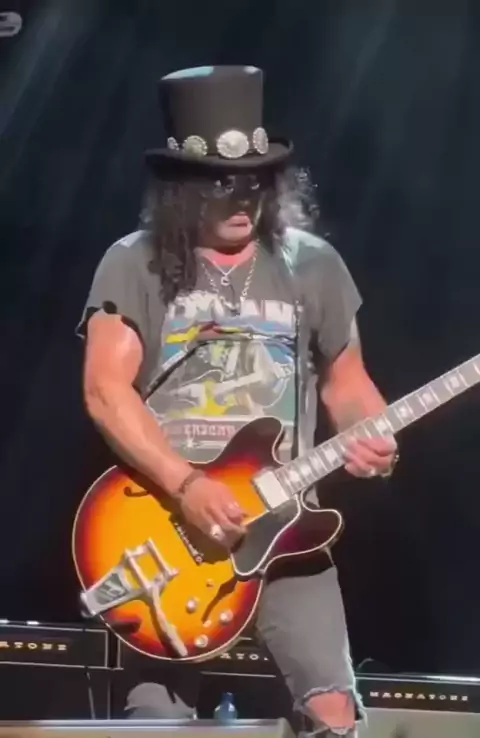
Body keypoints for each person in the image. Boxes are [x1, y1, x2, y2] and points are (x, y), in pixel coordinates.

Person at [77, 66, 398, 738]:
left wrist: (370, 434)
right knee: (158, 723)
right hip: (164, 526)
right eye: (221, 183)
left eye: (255, 181)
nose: (241, 197)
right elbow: (105, 391)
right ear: (181, 186)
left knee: (334, 711)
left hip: (286, 523)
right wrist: (187, 485)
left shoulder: (314, 264)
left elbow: (345, 381)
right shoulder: (133, 263)